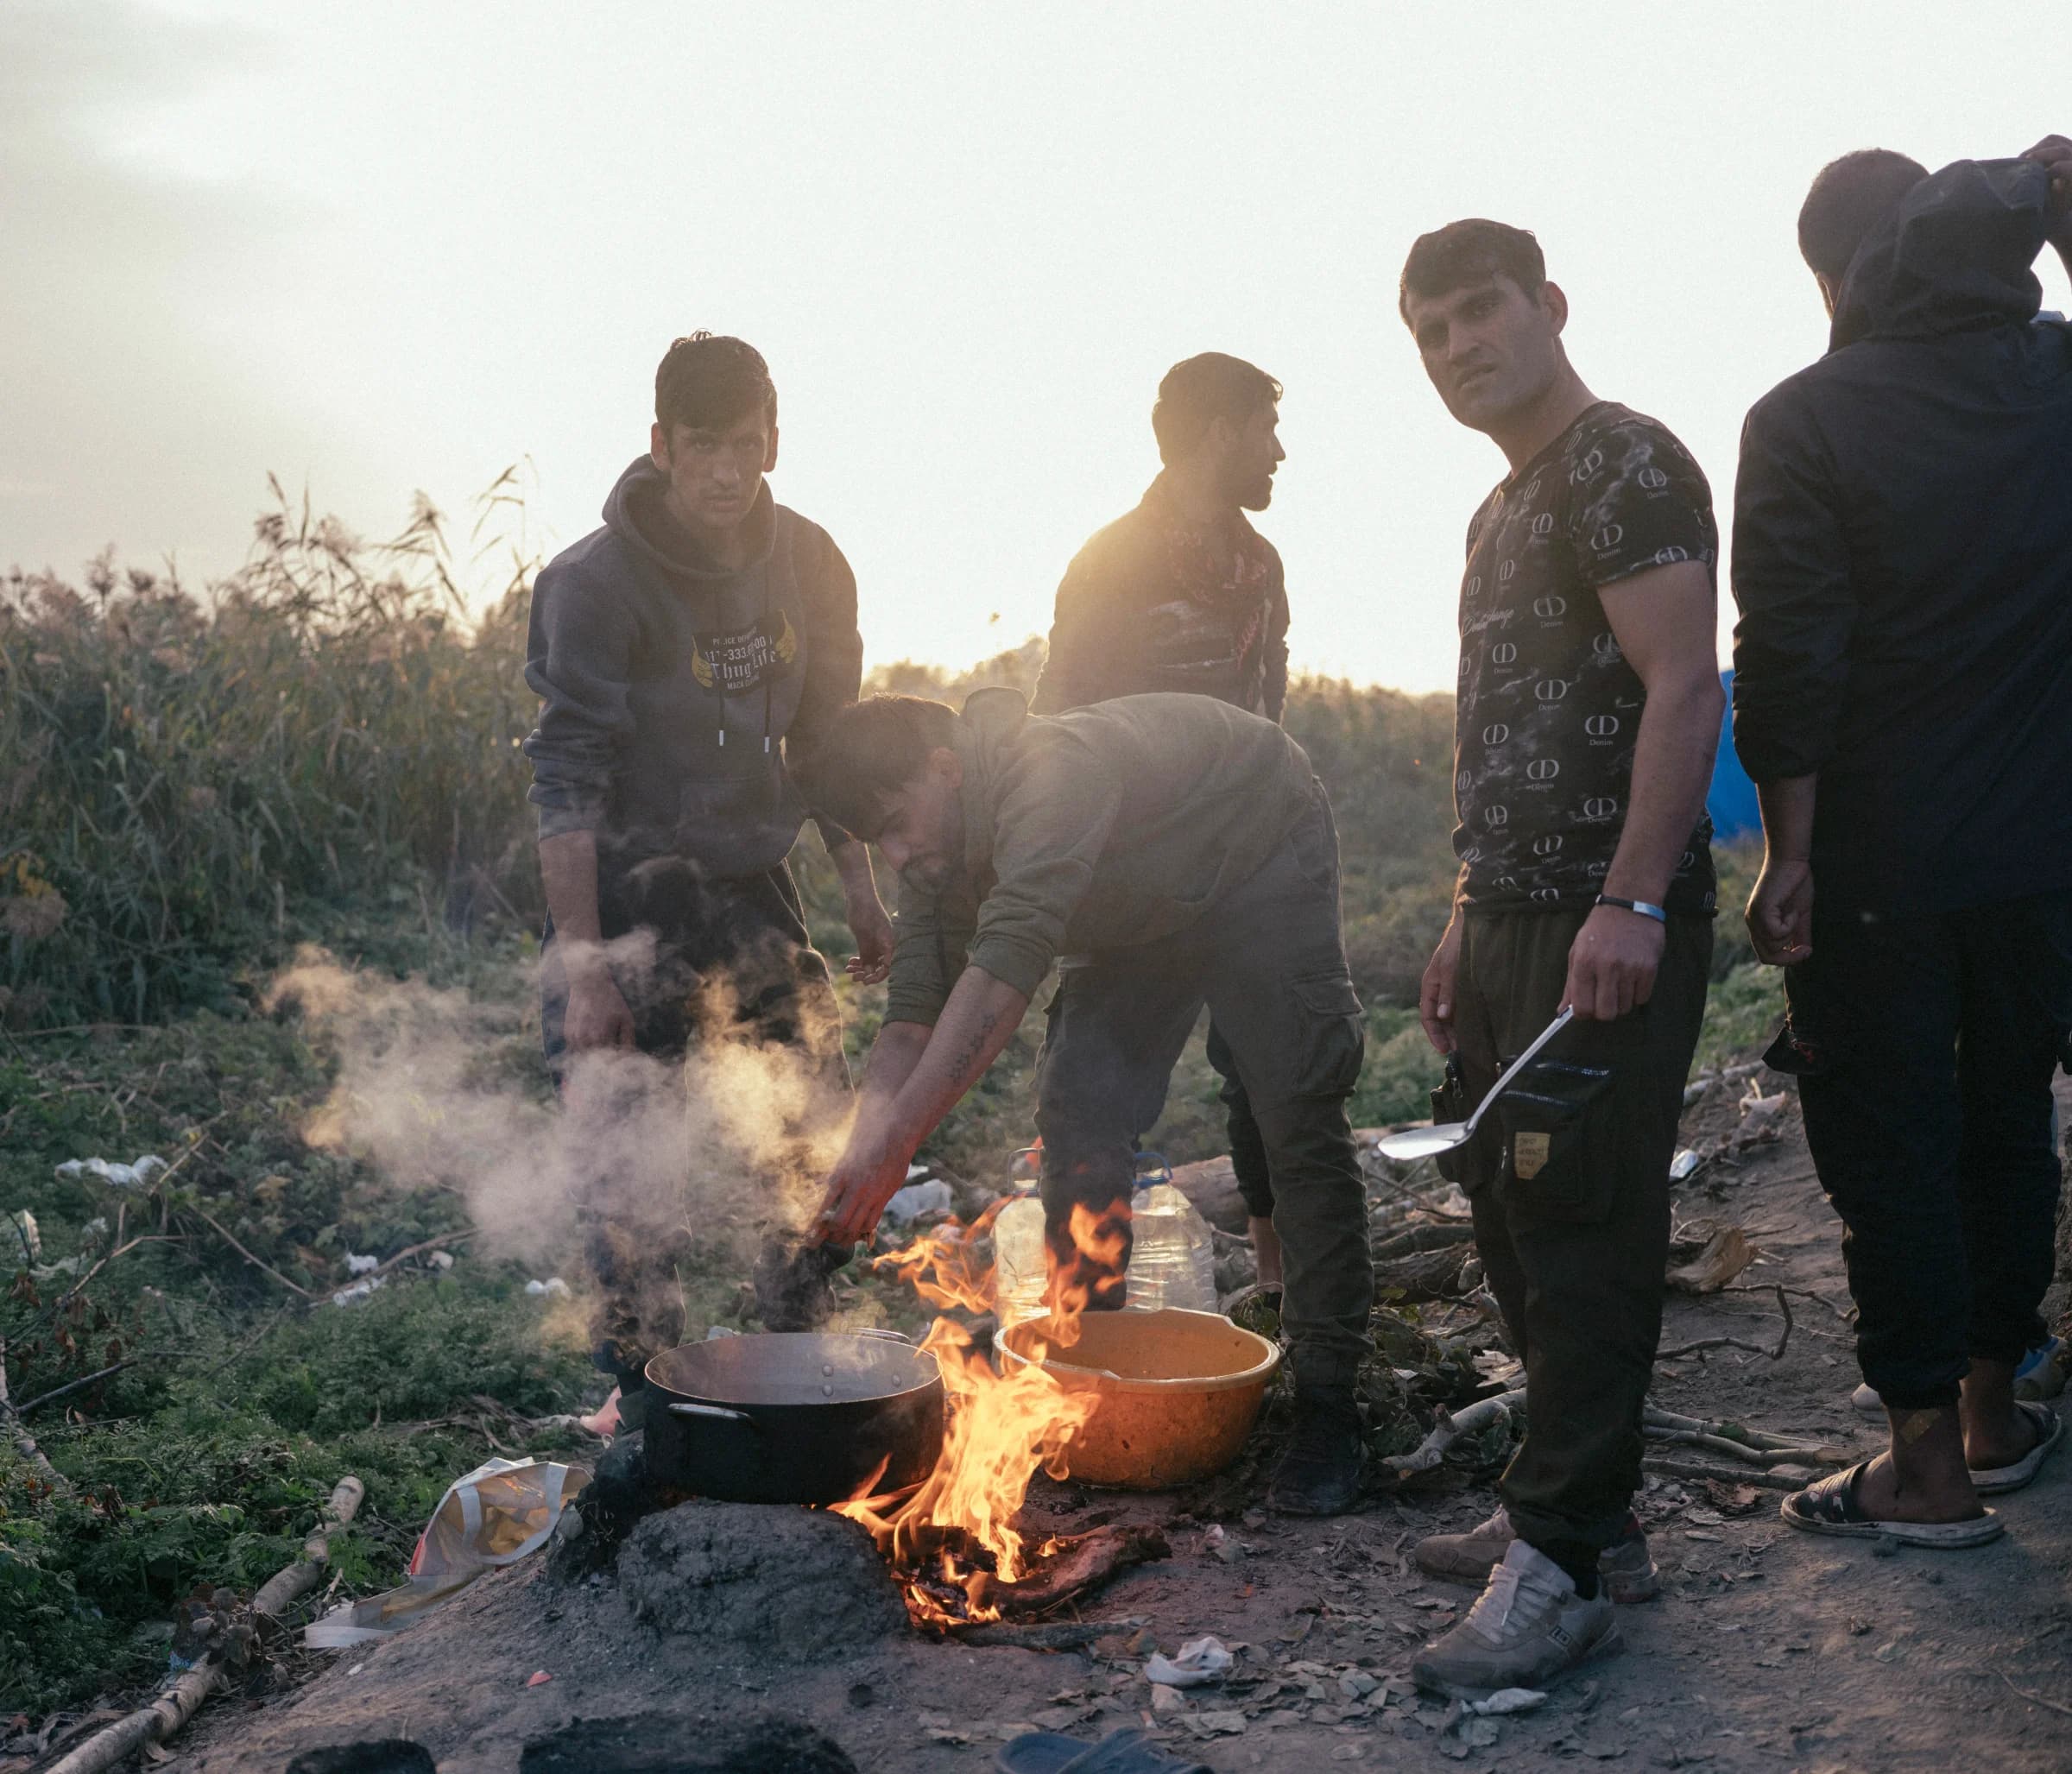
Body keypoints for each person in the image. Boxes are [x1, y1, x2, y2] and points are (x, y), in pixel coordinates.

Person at [1396, 219, 1723, 1695]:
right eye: (1433, 331)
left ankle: (1565, 1566)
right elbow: (1503, 740)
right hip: (1517, 914)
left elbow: (1682, 687)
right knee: (1515, 1224)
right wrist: (1468, 915)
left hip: (1608, 913)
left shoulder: (1624, 462)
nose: (1462, 347)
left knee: (1585, 1229)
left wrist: (1637, 899)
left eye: (1482, 312)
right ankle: (1582, 1507)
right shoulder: (1499, 508)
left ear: (1551, 306)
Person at [1731, 138, 2072, 1547]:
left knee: (1890, 1145)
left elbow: (1792, 662)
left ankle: (1922, 1464)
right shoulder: (2056, 380)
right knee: (2007, 1121)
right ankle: (1997, 1414)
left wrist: (1788, 857)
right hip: (2043, 857)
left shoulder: (1806, 417)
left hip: (1877, 862)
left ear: (1833, 274)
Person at [797, 688, 1374, 1513]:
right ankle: (1086, 1375)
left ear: (945, 768)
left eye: (895, 823)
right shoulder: (936, 856)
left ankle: (1328, 1407)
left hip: (1255, 852)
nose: (893, 855)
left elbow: (1002, 974)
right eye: (873, 841)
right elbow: (911, 1020)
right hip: (1139, 907)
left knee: (1294, 1111)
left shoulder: (1051, 773)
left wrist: (901, 1146)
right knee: (1078, 1111)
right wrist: (864, 1153)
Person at [522, 332, 893, 1430]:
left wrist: (861, 892)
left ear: (772, 440)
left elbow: (829, 745)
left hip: (754, 887)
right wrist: (588, 970)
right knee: (626, 1166)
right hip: (623, 901)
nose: (725, 470)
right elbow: (565, 781)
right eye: (700, 447)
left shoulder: (812, 562)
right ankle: (645, 1404)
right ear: (660, 447)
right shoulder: (592, 584)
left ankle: (792, 1369)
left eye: (742, 444)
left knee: (809, 1126)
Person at [1032, 351, 1292, 1286]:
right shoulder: (1113, 564)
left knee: (1275, 1089)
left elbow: (1271, 724)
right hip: (1134, 887)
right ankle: (1083, 1345)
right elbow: (1056, 732)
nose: (1279, 454)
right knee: (1086, 1113)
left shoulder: (1259, 564)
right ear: (1220, 433)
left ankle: (1280, 1302)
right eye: (1266, 431)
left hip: (1252, 881)